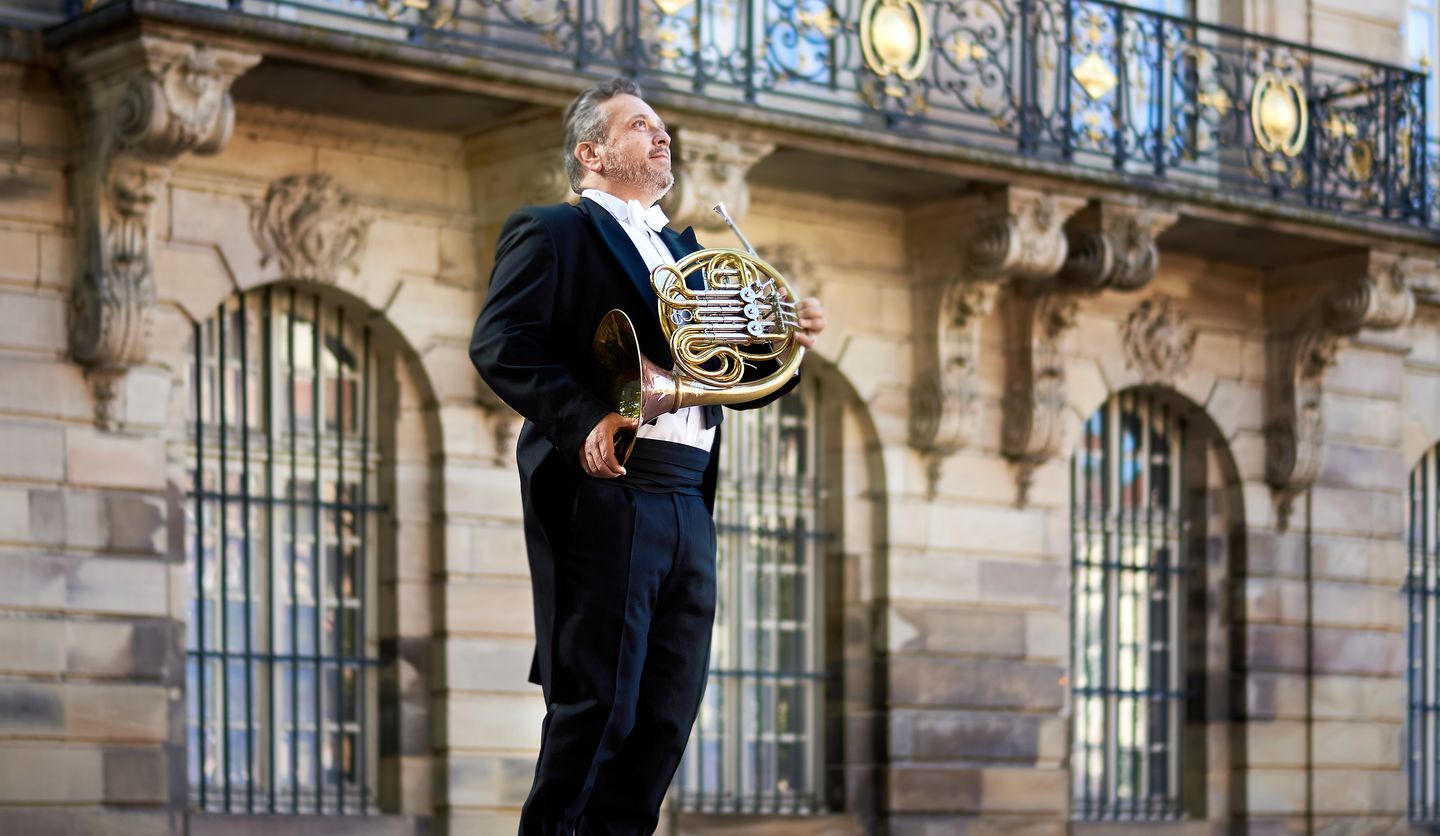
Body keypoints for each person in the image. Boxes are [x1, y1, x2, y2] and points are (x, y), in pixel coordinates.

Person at [469, 77, 827, 835]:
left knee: (665, 719)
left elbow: (727, 380)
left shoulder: (684, 249)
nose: (661, 137)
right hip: (612, 488)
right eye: (639, 127)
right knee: (599, 712)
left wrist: (779, 339)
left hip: (688, 497)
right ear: (590, 151)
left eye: (663, 128)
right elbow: (502, 344)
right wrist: (586, 416)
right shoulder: (552, 231)